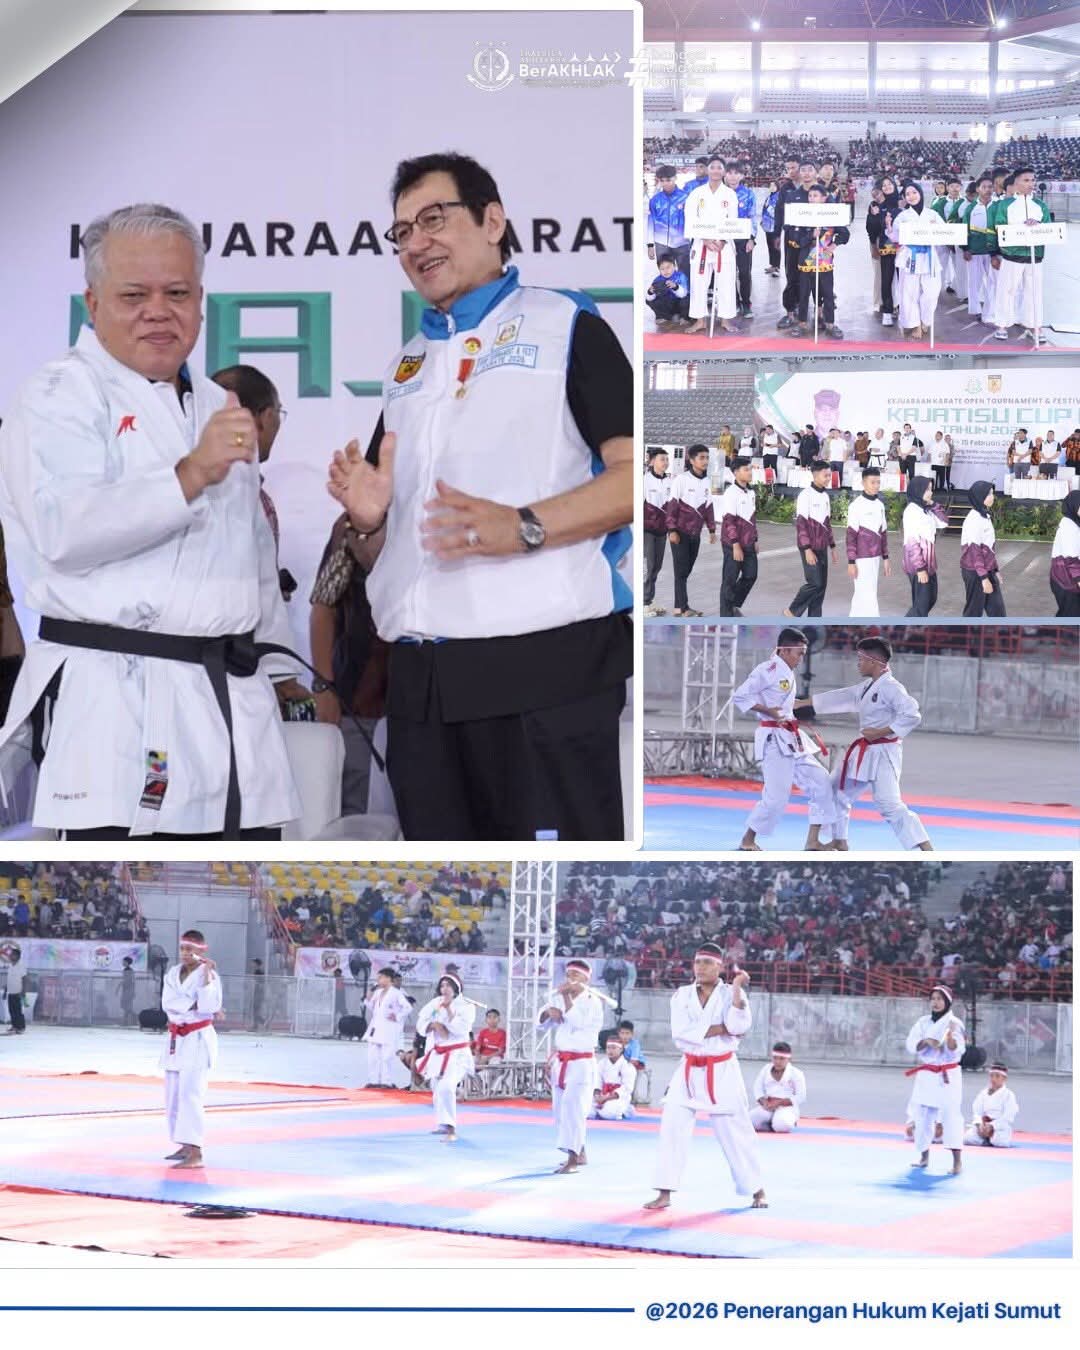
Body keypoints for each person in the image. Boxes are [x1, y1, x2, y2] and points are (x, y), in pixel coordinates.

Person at [327, 153, 633, 842]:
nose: (416, 243)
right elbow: (387, 551)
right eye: (402, 231)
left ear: (493, 221)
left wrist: (523, 526)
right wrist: (368, 524)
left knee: (547, 880)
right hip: (421, 687)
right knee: (447, 883)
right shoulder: (407, 366)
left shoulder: (565, 325)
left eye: (434, 219)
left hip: (542, 671)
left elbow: (635, 477)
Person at [0, 203, 300, 839]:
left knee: (248, 868)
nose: (159, 311)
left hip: (232, 708)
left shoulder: (218, 404)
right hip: (117, 707)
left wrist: (284, 674)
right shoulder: (57, 394)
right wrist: (189, 474)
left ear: (201, 302)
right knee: (129, 879)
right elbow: (62, 530)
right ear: (93, 303)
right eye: (135, 295)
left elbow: (248, 554)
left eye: (178, 293)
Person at [643, 944, 766, 1212]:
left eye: (708, 963)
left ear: (720, 967)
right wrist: (721, 1028)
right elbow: (680, 1034)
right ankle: (664, 1191)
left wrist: (736, 989)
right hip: (688, 1070)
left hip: (722, 1070)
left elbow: (739, 1026)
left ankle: (757, 1188)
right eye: (698, 962)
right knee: (672, 1127)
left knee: (736, 1132)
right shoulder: (682, 995)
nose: (701, 967)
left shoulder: (731, 993)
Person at [799, 635, 932, 852]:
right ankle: (839, 840)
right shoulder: (868, 686)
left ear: (873, 661)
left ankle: (925, 849)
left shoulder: (892, 687)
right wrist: (802, 703)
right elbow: (841, 697)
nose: (858, 663)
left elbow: (912, 715)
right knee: (835, 790)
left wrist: (881, 731)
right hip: (864, 751)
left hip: (884, 752)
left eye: (861, 659)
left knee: (889, 805)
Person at [309, 513, 387, 816]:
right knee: (356, 813)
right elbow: (323, 607)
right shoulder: (352, 524)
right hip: (359, 701)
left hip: (424, 703)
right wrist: (324, 686)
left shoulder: (435, 519)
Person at [732, 628, 835, 853]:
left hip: (791, 737)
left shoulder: (786, 671)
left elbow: (785, 704)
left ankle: (813, 840)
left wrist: (802, 705)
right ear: (785, 650)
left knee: (822, 781)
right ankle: (747, 839)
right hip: (773, 739)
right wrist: (768, 711)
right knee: (776, 797)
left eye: (803, 653)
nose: (801, 659)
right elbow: (740, 696)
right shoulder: (767, 669)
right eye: (799, 653)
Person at [160, 930, 222, 1169]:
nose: (185, 953)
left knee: (190, 1094)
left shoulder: (210, 974)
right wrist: (192, 1003)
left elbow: (209, 1006)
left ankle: (196, 1152)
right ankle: (185, 1145)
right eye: (183, 948)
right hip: (176, 1039)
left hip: (197, 1039)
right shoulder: (172, 973)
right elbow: (167, 1004)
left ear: (201, 951)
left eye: (190, 949)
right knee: (173, 1094)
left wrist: (204, 981)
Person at [540, 958, 605, 1173]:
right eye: (568, 975)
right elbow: (541, 1024)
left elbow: (577, 1022)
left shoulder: (593, 1001)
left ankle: (573, 1159)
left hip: (581, 1063)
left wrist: (566, 997)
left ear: (586, 979)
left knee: (573, 1109)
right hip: (561, 1061)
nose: (570, 978)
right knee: (560, 1110)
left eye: (575, 975)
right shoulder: (559, 997)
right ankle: (580, 1150)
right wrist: (548, 1013)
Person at [904, 985, 965, 1175]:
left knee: (951, 1116)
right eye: (933, 999)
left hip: (948, 1075)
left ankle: (957, 1162)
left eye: (939, 999)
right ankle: (924, 1157)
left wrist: (950, 1040)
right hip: (927, 1074)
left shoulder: (954, 1023)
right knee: (922, 1116)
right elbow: (911, 1045)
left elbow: (958, 1049)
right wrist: (926, 1041)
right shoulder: (923, 1022)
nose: (936, 1002)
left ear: (947, 1002)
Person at [988, 167, 1051, 343]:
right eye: (1026, 180)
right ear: (1016, 183)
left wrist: (1037, 225)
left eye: (1033, 180)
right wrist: (1022, 228)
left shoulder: (1040, 205)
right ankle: (1002, 324)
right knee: (1007, 291)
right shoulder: (1005, 205)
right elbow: (999, 227)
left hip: (1035, 256)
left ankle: (1034, 325)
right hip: (1012, 255)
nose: (1031, 183)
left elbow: (1049, 228)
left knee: (1034, 292)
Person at [684, 157, 741, 336]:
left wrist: (722, 240)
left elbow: (733, 219)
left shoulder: (730, 194)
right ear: (708, 170)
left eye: (719, 167)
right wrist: (705, 238)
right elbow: (690, 217)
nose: (716, 170)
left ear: (723, 171)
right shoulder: (696, 193)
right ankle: (700, 320)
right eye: (712, 167)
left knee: (726, 283)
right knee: (698, 283)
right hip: (701, 243)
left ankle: (725, 319)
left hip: (724, 245)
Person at [415, 973, 476, 1142]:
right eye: (442, 985)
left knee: (447, 1087)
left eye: (448, 985)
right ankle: (442, 1124)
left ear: (456, 987)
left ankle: (451, 1127)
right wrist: (433, 1025)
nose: (445, 989)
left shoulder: (467, 1006)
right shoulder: (435, 1003)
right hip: (438, 1054)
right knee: (437, 1089)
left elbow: (461, 1029)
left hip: (457, 1054)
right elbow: (421, 1023)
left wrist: (448, 1011)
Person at [665, 445, 716, 618]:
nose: (705, 461)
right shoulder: (681, 479)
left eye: (707, 457)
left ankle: (678, 608)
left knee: (686, 570)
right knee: (681, 571)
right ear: (692, 460)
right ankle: (684, 608)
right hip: (680, 532)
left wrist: (712, 530)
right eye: (701, 457)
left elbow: (708, 508)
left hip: (696, 534)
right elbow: (671, 507)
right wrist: (672, 530)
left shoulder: (707, 481)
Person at [792, 185, 848, 340]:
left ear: (824, 198)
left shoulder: (832, 215)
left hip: (825, 261)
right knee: (803, 293)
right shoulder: (802, 215)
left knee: (828, 293)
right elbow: (797, 240)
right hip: (806, 262)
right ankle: (802, 323)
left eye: (815, 195)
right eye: (810, 196)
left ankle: (830, 323)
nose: (812, 199)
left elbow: (845, 234)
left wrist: (834, 245)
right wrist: (811, 235)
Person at [888, 181, 943, 340]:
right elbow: (895, 237)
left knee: (932, 292)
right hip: (909, 257)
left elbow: (944, 233)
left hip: (929, 256)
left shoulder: (932, 214)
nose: (911, 196)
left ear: (920, 193)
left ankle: (925, 319)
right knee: (909, 293)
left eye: (914, 192)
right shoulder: (903, 216)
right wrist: (889, 228)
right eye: (907, 194)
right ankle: (914, 324)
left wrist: (936, 230)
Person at [786, 462, 837, 619]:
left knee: (821, 587)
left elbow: (827, 523)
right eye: (825, 475)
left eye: (829, 475)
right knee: (815, 583)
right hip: (809, 546)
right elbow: (801, 525)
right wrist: (807, 549)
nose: (828, 478)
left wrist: (832, 546)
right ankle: (792, 611)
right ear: (815, 475)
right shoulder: (805, 495)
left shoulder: (825, 496)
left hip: (822, 546)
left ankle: (814, 620)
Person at [776, 160, 817, 330]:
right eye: (803, 170)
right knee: (792, 277)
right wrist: (788, 235)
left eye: (810, 170)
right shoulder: (792, 195)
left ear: (815, 173)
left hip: (816, 245)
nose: (806, 173)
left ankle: (822, 314)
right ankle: (790, 312)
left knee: (817, 279)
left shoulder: (824, 195)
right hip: (794, 244)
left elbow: (833, 221)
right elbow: (785, 220)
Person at [846, 467, 891, 617]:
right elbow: (851, 536)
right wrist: (851, 562)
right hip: (861, 558)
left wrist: (886, 558)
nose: (876, 485)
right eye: (873, 482)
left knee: (866, 593)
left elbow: (883, 533)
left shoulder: (880, 505)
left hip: (875, 558)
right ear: (863, 483)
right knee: (866, 594)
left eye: (878, 482)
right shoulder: (856, 506)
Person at [902, 477, 949, 617]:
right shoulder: (911, 511)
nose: (931, 492)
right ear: (918, 490)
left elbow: (944, 522)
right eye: (927, 489)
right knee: (921, 605)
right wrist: (920, 569)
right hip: (918, 565)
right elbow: (911, 543)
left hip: (929, 564)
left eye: (931, 489)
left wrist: (933, 504)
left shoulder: (926, 509)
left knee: (930, 599)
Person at [718, 458, 758, 617]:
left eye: (750, 469)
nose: (750, 472)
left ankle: (733, 604)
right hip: (732, 544)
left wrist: (755, 539)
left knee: (751, 575)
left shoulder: (751, 492)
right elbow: (729, 521)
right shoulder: (731, 493)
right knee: (729, 579)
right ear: (736, 472)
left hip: (749, 543)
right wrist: (735, 545)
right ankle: (726, 614)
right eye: (746, 470)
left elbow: (752, 518)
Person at [960, 481, 1006, 618]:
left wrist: (995, 570)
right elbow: (975, 552)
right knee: (973, 613)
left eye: (992, 493)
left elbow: (989, 548)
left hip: (986, 570)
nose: (993, 497)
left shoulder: (984, 516)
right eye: (989, 494)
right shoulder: (974, 519)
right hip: (975, 572)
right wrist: (984, 578)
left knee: (998, 612)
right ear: (980, 496)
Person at [363, 966, 413, 1087]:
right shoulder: (378, 992)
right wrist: (369, 996)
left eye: (380, 977)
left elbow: (408, 1008)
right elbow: (372, 1007)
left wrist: (397, 1016)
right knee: (373, 1056)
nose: (378, 980)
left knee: (386, 1057)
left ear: (388, 978)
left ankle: (386, 1081)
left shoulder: (396, 993)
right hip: (376, 1027)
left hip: (389, 1028)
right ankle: (373, 1081)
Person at [959, 176, 998, 322]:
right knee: (974, 283)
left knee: (993, 283)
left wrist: (998, 252)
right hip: (974, 251)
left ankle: (990, 312)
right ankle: (975, 309)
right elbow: (964, 229)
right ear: (978, 189)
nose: (988, 190)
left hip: (993, 253)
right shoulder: (971, 208)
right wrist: (965, 249)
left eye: (990, 187)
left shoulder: (998, 206)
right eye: (984, 187)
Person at [750, 1042, 806, 1133]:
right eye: (775, 1058)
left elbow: (801, 1096)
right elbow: (757, 1088)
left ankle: (787, 1122)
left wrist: (779, 1103)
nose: (777, 1061)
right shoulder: (766, 1069)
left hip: (787, 1107)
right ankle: (771, 1124)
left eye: (782, 1058)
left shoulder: (796, 1073)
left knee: (782, 1125)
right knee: (748, 1122)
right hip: (768, 1105)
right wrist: (764, 1102)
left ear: (789, 1059)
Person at [866, 175, 900, 327]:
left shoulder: (904, 201)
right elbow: (873, 229)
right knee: (886, 279)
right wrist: (874, 216)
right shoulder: (877, 205)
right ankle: (887, 311)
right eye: (884, 185)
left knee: (905, 281)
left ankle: (903, 308)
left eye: (889, 184)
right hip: (887, 247)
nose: (887, 187)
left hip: (905, 248)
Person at [646, 165, 691, 279]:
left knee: (685, 273)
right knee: (665, 274)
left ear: (675, 178)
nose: (665, 183)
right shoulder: (655, 200)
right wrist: (650, 244)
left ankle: (685, 290)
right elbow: (650, 223)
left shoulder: (686, 198)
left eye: (668, 180)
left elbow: (692, 220)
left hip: (682, 243)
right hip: (661, 243)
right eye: (662, 181)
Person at [726, 162, 757, 319]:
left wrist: (751, 238)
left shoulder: (748, 194)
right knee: (728, 273)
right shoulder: (720, 193)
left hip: (743, 239)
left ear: (742, 176)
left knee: (744, 273)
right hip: (725, 240)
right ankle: (734, 302)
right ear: (725, 175)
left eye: (736, 173)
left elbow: (752, 217)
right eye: (730, 173)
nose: (733, 176)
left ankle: (746, 303)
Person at [643, 448, 671, 617]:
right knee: (649, 565)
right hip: (647, 530)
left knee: (657, 566)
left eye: (667, 459)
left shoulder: (669, 482)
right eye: (662, 459)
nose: (666, 462)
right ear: (653, 461)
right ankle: (643, 602)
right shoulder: (644, 481)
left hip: (662, 530)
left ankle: (649, 599)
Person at [964, 1063, 1019, 1148]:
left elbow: (1008, 1116)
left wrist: (992, 1126)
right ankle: (984, 1140)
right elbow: (977, 1112)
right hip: (983, 1126)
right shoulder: (983, 1093)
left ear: (1004, 1078)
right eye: (991, 1076)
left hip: (999, 1127)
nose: (993, 1079)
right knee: (967, 1138)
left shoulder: (1008, 1095)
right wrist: (980, 1125)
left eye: (997, 1076)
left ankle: (989, 1140)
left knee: (1000, 1142)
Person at [590, 1035, 636, 1120]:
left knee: (609, 1113)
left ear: (621, 1049)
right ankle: (599, 1112)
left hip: (618, 1097)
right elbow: (597, 1081)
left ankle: (626, 1109)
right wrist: (597, 1096)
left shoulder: (627, 1066)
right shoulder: (601, 1063)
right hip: (602, 1094)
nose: (610, 1050)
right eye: (608, 1048)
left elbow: (627, 1088)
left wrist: (607, 1097)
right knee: (586, 1110)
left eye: (614, 1048)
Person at [1050, 491, 1080, 616]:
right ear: (1074, 505)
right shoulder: (1069, 527)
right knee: (1070, 615)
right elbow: (1071, 558)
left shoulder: (1075, 522)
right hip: (1065, 580)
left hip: (1068, 579)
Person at [646, 256, 690, 328]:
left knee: (687, 299)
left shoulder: (681, 276)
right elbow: (650, 298)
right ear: (659, 270)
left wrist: (675, 287)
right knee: (649, 300)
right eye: (662, 269)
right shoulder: (657, 280)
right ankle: (663, 316)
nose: (666, 271)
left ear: (674, 266)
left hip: (680, 303)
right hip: (668, 305)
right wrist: (650, 292)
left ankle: (684, 317)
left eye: (668, 267)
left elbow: (684, 294)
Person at [2, 942, 27, 1034]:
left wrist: (23, 992)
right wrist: (5, 991)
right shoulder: (10, 966)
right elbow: (9, 980)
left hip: (18, 992)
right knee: (11, 1011)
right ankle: (14, 1026)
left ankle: (21, 1027)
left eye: (12, 954)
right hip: (10, 992)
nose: (10, 956)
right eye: (10, 954)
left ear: (17, 956)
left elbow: (25, 979)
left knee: (18, 1011)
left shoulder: (21, 966)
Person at [761, 181, 781, 274]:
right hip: (767, 226)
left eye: (774, 185)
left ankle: (777, 267)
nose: (772, 187)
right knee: (770, 246)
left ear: (777, 187)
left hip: (775, 226)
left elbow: (776, 211)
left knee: (775, 246)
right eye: (770, 185)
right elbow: (764, 209)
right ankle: (772, 265)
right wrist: (763, 220)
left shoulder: (778, 197)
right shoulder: (769, 196)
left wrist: (768, 207)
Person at [120, 955, 136, 1027]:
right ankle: (126, 1021)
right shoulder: (125, 970)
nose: (123, 963)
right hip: (126, 990)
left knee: (127, 1007)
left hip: (129, 990)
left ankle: (126, 1021)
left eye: (124, 961)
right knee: (125, 1006)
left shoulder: (130, 971)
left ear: (127, 962)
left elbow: (131, 981)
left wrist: (132, 991)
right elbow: (124, 981)